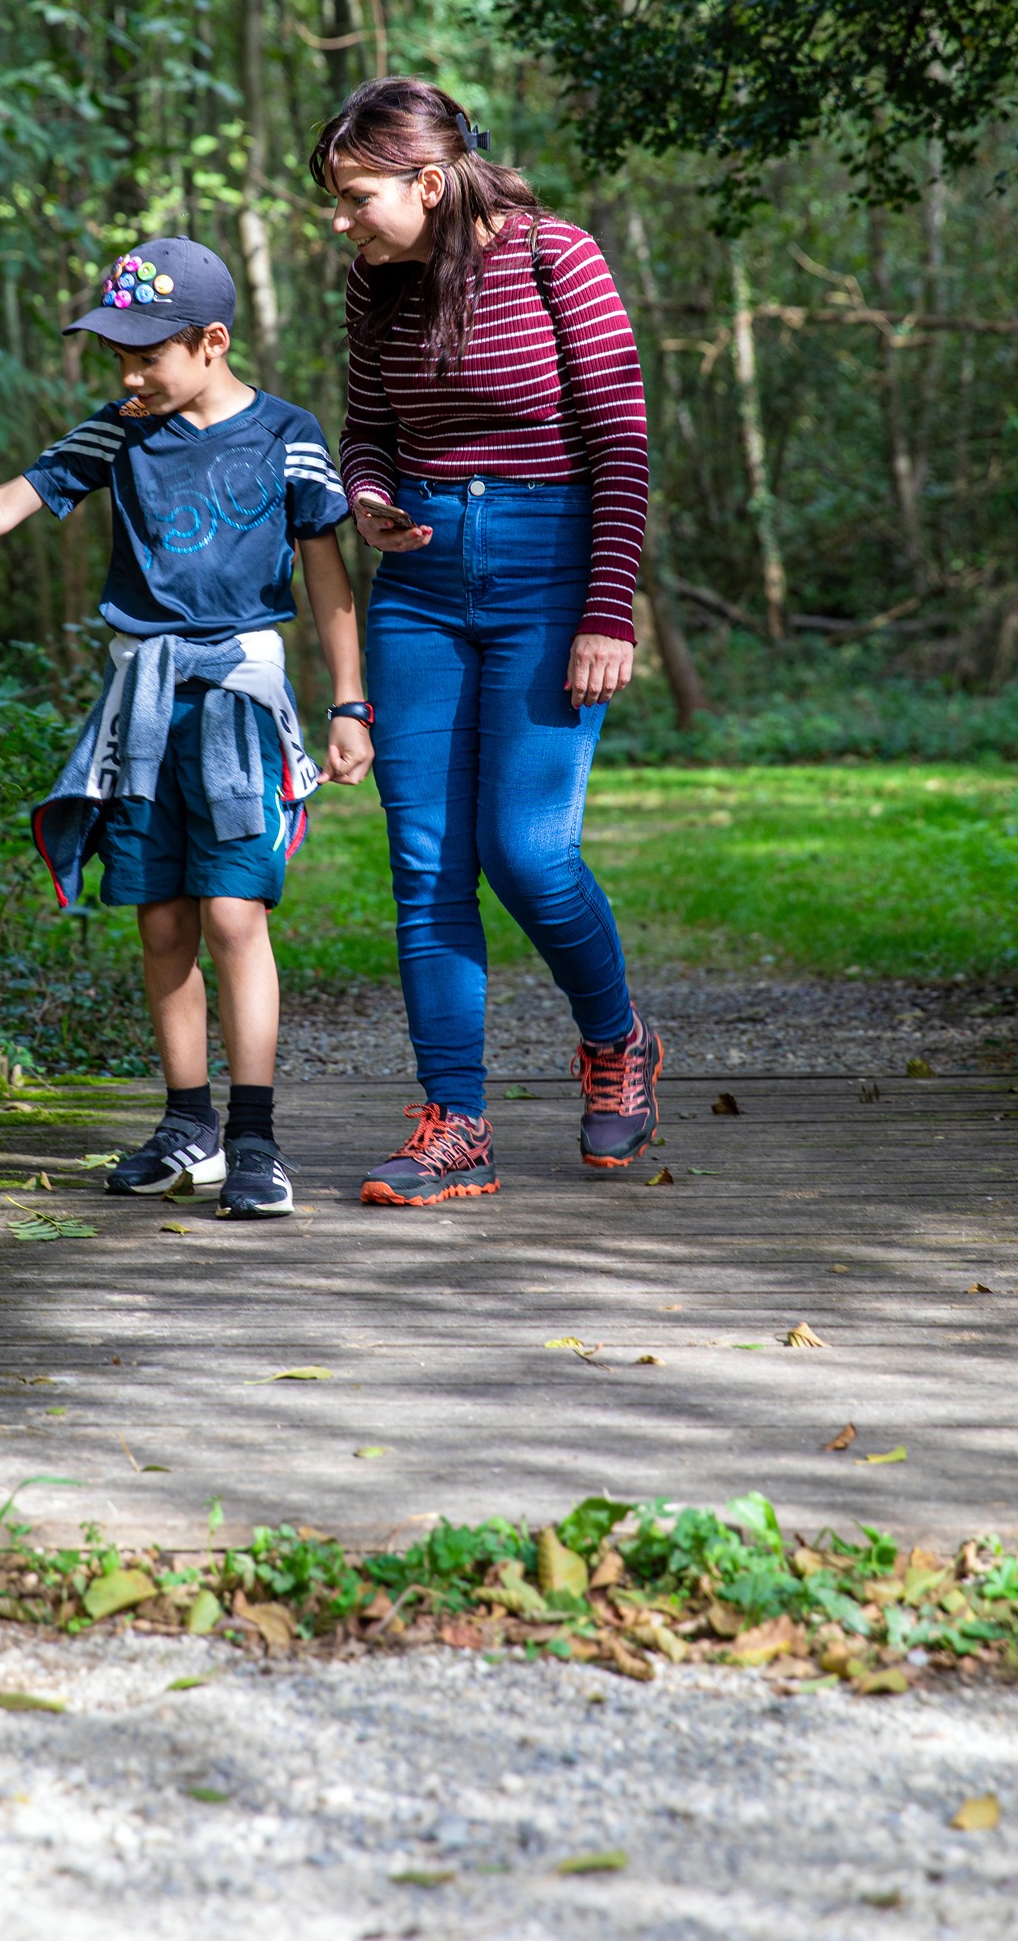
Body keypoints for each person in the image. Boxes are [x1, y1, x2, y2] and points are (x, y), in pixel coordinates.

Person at [0, 235, 373, 1221]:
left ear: (213, 341)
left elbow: (326, 572)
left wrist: (349, 702)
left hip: (237, 700)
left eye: (147, 355)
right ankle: (187, 1125)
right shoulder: (119, 433)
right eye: (118, 357)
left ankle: (254, 1139)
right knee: (160, 917)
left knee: (235, 914)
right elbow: (3, 503)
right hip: (141, 704)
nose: (129, 376)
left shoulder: (288, 434)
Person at [310, 77, 663, 1205]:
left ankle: (617, 1038)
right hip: (417, 583)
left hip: (550, 573)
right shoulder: (374, 282)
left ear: (428, 181)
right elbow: (367, 430)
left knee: (527, 852)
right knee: (425, 864)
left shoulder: (559, 255)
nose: (341, 220)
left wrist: (606, 610)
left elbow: (620, 440)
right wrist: (368, 498)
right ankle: (455, 1121)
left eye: (355, 196)